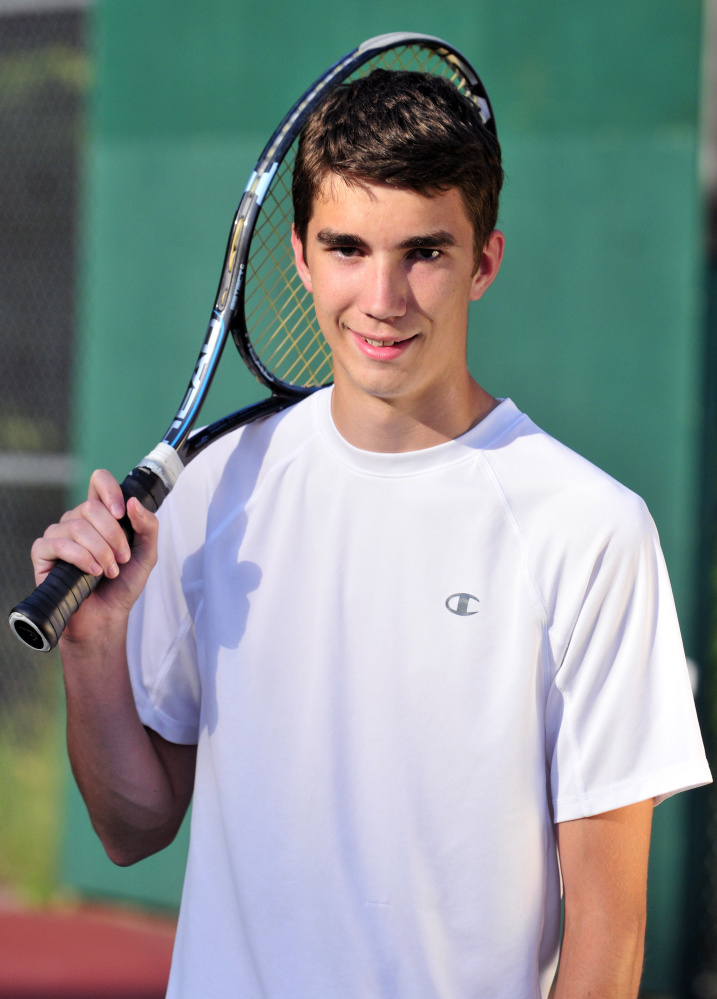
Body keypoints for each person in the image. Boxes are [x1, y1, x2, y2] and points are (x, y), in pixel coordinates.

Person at [32, 69, 711, 998]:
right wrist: (93, 647)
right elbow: (131, 825)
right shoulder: (215, 492)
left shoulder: (589, 529)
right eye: (347, 248)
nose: (382, 297)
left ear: (484, 261)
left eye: (423, 253)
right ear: (303, 260)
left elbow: (608, 928)